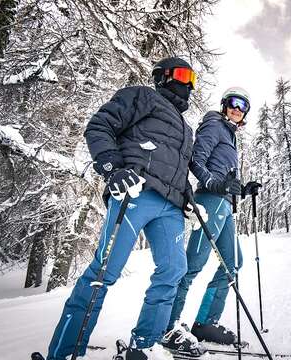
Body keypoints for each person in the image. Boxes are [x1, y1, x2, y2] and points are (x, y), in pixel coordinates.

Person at [45, 57, 203, 360]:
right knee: (104, 271)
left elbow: (177, 170)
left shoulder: (186, 128)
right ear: (163, 77)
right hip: (136, 191)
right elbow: (99, 125)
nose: (188, 84)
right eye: (182, 75)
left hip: (170, 207)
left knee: (174, 269)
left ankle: (144, 346)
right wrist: (112, 167)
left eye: (192, 79)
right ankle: (64, 353)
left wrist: (189, 200)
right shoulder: (143, 97)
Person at [162, 87, 255, 350]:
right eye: (234, 103)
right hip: (210, 202)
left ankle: (205, 324)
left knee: (233, 262)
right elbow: (195, 162)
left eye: (244, 106)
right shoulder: (214, 126)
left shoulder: (229, 134)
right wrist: (215, 184)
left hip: (224, 204)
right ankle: (168, 326)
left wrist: (243, 189)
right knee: (192, 264)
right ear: (225, 104)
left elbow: (222, 177)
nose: (238, 109)